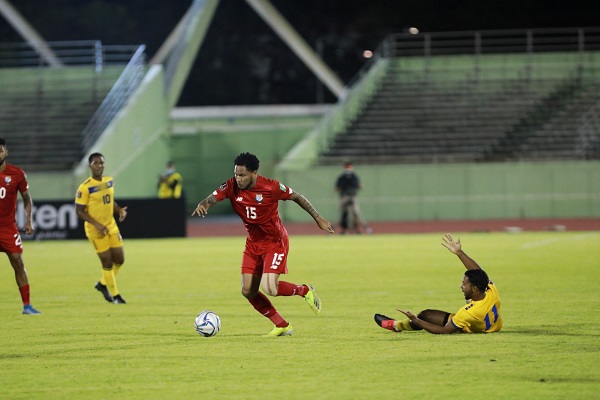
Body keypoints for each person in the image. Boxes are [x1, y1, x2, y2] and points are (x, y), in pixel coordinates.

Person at [192, 152, 334, 336]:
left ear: (254, 173)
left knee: (270, 288)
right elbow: (211, 199)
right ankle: (282, 325)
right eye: (236, 174)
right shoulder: (231, 186)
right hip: (253, 244)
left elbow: (297, 197)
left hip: (275, 242)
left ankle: (304, 290)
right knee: (248, 290)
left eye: (242, 175)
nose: (238, 178)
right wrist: (204, 204)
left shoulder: (271, 187)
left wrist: (318, 218)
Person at [374, 233, 502, 334]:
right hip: (490, 322)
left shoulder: (467, 313)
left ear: (474, 288)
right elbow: (479, 272)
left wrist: (415, 320)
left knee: (423, 317)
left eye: (464, 284)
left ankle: (397, 325)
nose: (461, 286)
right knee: (427, 314)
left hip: (470, 326)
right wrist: (459, 253)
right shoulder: (490, 290)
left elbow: (444, 331)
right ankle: (399, 325)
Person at [75, 153, 128, 304]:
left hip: (110, 226)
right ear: (89, 166)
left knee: (120, 259)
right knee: (107, 262)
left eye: (101, 163)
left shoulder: (109, 181)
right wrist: (97, 225)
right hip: (95, 230)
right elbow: (79, 211)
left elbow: (110, 201)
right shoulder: (85, 187)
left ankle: (102, 284)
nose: (99, 166)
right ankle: (116, 295)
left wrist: (119, 211)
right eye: (95, 163)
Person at [0, 138, 41, 315]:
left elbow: (26, 199)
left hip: (8, 228)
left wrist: (29, 220)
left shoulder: (17, 173)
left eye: (0, 150)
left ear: (6, 152)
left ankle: (27, 306)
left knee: (18, 261)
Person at [335, 161, 371, 234]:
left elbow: (359, 186)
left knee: (356, 212)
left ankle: (357, 228)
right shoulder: (341, 177)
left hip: (353, 196)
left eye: (349, 167)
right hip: (344, 196)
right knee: (343, 213)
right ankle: (343, 229)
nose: (348, 169)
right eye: (347, 167)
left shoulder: (354, 177)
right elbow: (337, 188)